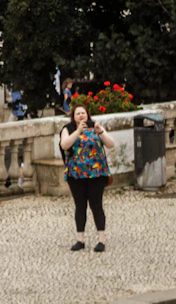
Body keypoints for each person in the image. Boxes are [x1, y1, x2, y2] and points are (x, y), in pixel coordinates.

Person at [58, 104, 116, 252]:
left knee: (96, 205)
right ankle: (80, 239)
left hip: (96, 174)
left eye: (83, 113)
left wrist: (100, 131)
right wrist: (78, 131)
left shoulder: (95, 127)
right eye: (78, 114)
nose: (81, 116)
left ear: (87, 115)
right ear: (73, 116)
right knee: (80, 206)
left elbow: (110, 144)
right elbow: (64, 145)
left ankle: (101, 239)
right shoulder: (68, 129)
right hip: (76, 174)